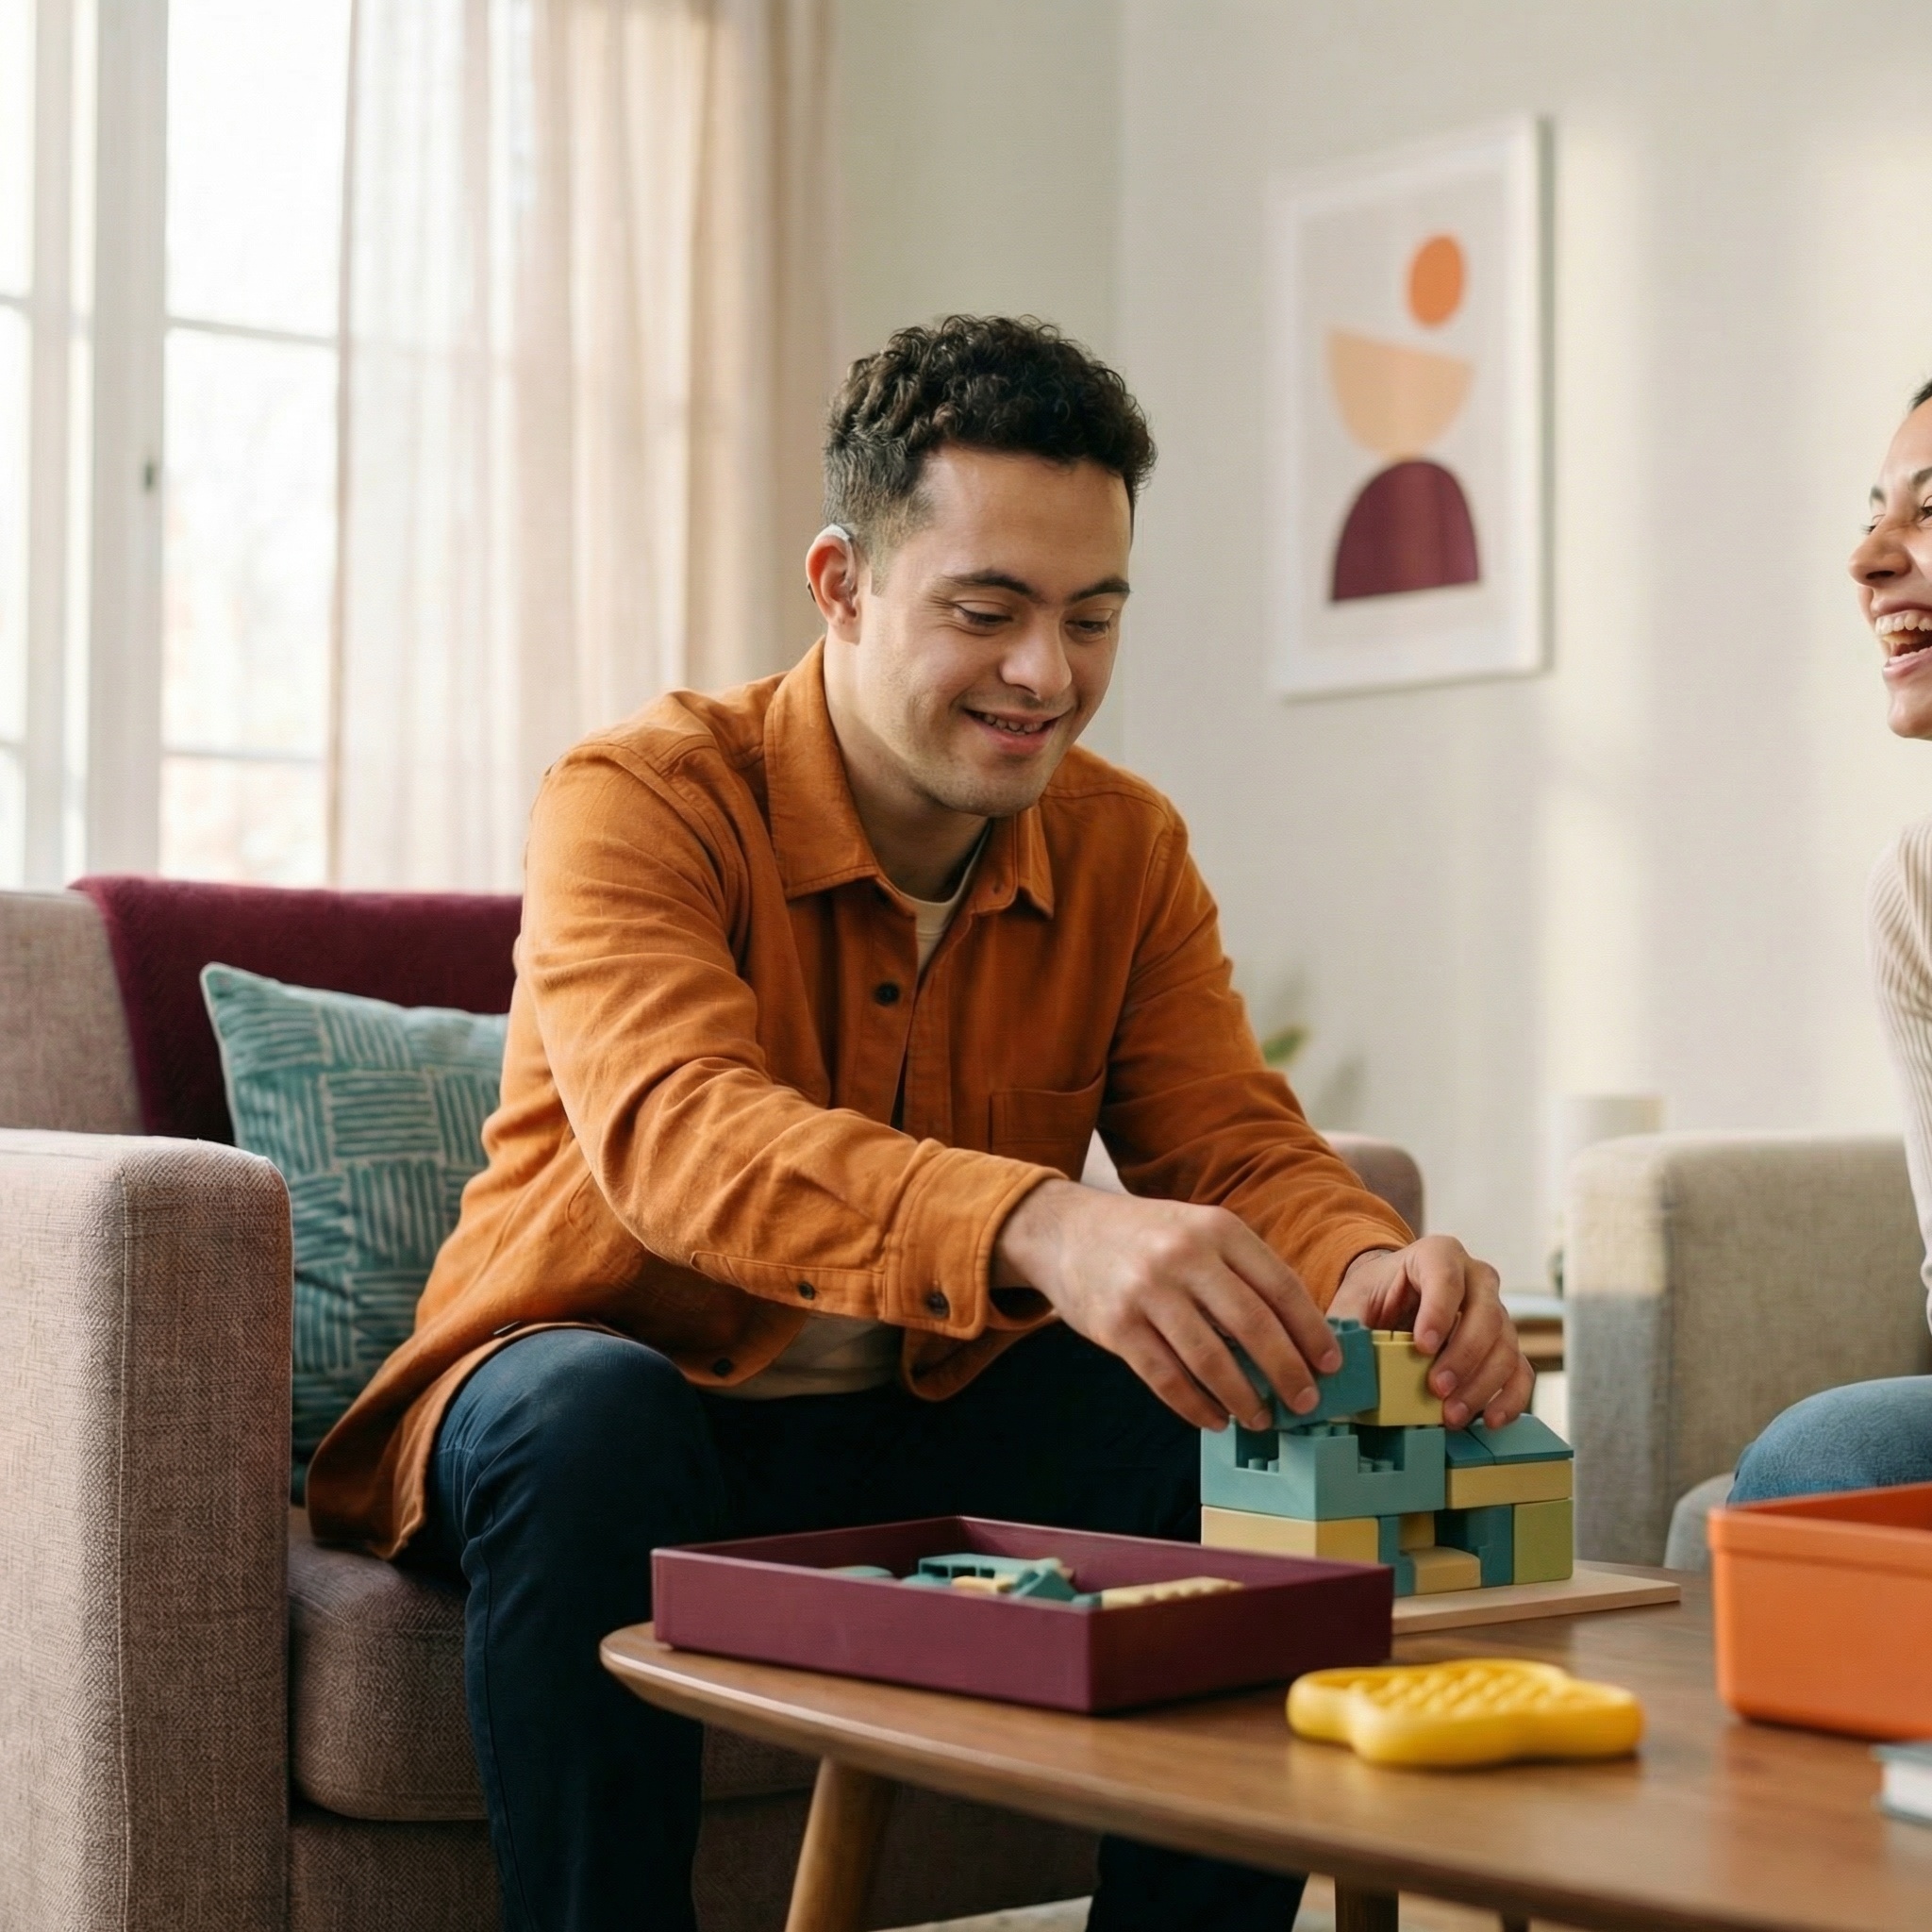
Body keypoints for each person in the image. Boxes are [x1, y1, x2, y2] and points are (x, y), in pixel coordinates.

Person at [307, 315, 1530, 1932]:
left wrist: (1369, 1267)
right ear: (840, 582)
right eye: (988, 610)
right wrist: (1037, 1218)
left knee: (1257, 1397)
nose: (1049, 673)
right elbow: (681, 1132)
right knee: (590, 1411)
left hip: (907, 1421)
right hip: (583, 1405)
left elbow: (1228, 1140)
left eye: (1092, 617)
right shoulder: (641, 795)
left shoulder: (1122, 848)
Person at [1731, 377, 1932, 1505]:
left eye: (1928, 511)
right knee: (1814, 1461)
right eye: (1873, 511)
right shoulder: (1917, 885)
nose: (1865, 561)